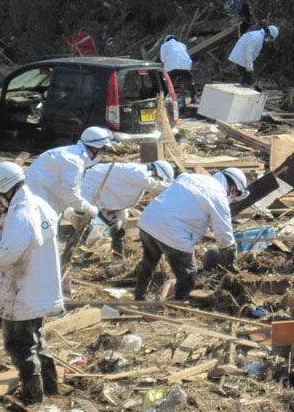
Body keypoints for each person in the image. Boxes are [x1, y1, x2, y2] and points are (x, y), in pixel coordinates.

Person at [0, 162, 63, 405]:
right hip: (38, 289)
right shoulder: (39, 204)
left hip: (22, 292)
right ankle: (51, 389)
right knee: (37, 341)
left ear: (7, 191)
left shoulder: (20, 214)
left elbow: (7, 255)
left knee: (20, 347)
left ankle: (33, 399)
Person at [134, 167, 249, 301]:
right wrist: (231, 268)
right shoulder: (219, 197)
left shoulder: (190, 177)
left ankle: (139, 297)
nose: (233, 199)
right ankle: (178, 307)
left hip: (148, 220)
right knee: (188, 275)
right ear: (233, 189)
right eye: (236, 196)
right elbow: (225, 237)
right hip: (172, 231)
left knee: (148, 262)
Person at [74, 160, 175, 256]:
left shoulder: (139, 182)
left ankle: (117, 253)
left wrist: (120, 219)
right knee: (94, 232)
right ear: (155, 172)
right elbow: (154, 186)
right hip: (89, 191)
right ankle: (83, 251)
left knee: (117, 229)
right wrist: (176, 186)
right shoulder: (138, 171)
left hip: (104, 197)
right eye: (160, 179)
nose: (158, 181)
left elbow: (123, 200)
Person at [25, 126, 113, 218]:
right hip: (36, 204)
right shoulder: (75, 162)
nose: (101, 155)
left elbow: (60, 184)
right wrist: (89, 209)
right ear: (94, 149)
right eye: (102, 151)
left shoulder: (68, 151)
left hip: (34, 197)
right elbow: (69, 194)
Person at [160, 35, 197, 103]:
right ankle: (193, 96)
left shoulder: (164, 45)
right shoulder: (182, 45)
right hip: (185, 65)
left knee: (169, 84)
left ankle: (167, 99)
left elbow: (163, 59)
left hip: (171, 66)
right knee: (189, 82)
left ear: (166, 40)